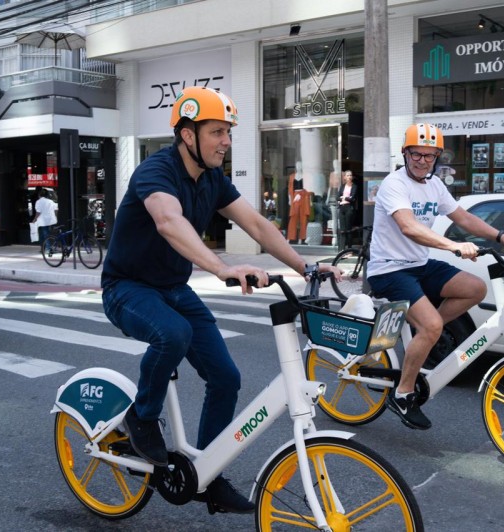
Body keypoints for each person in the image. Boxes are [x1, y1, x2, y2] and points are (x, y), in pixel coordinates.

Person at [100, 86, 341, 514]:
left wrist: (306, 267)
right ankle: (142, 416)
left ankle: (208, 475)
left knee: (226, 377)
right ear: (187, 135)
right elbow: (168, 221)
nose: (226, 141)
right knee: (173, 334)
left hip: (173, 288)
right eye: (217, 132)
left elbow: (257, 225)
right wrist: (221, 268)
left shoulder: (212, 179)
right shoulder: (155, 172)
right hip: (127, 288)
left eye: (228, 132)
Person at [366, 124, 504, 431]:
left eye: (429, 156)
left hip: (419, 264)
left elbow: (462, 217)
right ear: (405, 153)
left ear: (437, 157)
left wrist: (501, 236)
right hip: (389, 269)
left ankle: (425, 331)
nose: (422, 161)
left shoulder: (435, 184)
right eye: (416, 154)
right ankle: (403, 395)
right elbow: (409, 227)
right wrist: (453, 246)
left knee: (474, 288)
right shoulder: (393, 184)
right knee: (432, 326)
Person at [337, 170, 357, 248]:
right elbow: (337, 197)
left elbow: (352, 199)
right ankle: (342, 249)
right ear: (344, 177)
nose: (349, 177)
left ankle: (349, 249)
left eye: (350, 175)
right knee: (342, 230)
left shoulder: (354, 186)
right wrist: (347, 198)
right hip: (342, 208)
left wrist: (344, 197)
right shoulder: (342, 186)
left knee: (348, 230)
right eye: (348, 175)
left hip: (349, 208)